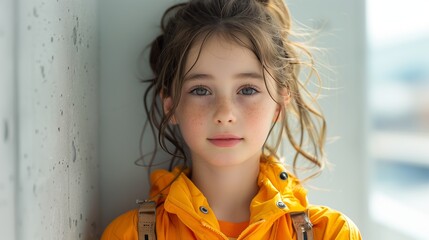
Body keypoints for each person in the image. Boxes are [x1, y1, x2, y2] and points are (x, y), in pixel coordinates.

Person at [101, 0, 362, 239]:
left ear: (279, 105)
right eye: (200, 90)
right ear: (170, 104)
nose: (225, 113)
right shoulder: (130, 234)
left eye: (247, 90)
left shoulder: (330, 233)